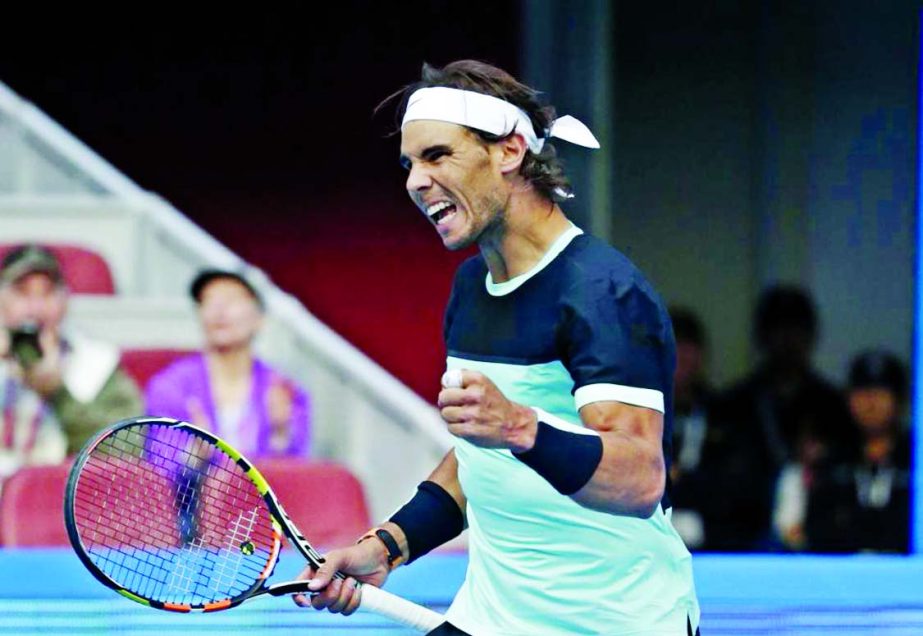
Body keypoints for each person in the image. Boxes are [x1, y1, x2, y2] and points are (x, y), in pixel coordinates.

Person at [294, 60, 700, 635]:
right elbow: (479, 458)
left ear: (509, 151)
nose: (414, 180)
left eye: (437, 156)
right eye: (409, 164)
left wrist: (520, 427)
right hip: (493, 616)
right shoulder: (470, 287)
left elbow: (639, 480)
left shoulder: (603, 294)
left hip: (613, 622)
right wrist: (386, 546)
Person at [703, 285, 851, 551]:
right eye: (778, 329)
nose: (787, 340)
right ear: (762, 336)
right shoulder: (734, 404)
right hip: (741, 539)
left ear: (811, 335)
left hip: (817, 541)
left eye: (796, 329)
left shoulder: (833, 405)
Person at [145, 269, 310, 458]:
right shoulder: (170, 386)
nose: (219, 310)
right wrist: (194, 456)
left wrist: (280, 434)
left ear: (259, 319)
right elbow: (160, 464)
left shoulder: (286, 391)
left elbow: (296, 470)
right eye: (209, 300)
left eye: (232, 300)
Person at [0, 244, 142, 457]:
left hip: (58, 487)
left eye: (47, 293)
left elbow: (125, 451)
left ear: (64, 300)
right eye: (22, 293)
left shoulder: (97, 364)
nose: (36, 308)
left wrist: (58, 394)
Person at [805, 351, 910, 553]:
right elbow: (817, 531)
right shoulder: (832, 463)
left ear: (900, 400)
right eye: (862, 393)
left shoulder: (914, 461)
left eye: (881, 393)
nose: (871, 403)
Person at [668, 306, 713, 550]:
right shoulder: (637, 410)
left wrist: (684, 479)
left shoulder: (722, 411)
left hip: (711, 536)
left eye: (689, 347)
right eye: (674, 345)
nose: (682, 356)